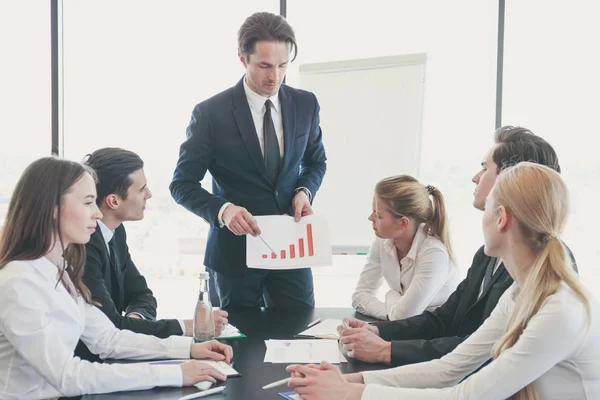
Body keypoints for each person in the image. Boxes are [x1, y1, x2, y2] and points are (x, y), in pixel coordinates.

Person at [287, 162, 600, 399]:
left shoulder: (560, 309)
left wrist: (352, 393)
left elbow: (466, 396)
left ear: (501, 218)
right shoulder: (522, 293)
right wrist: (350, 381)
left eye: (488, 207)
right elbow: (449, 368)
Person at [337, 126, 577, 366]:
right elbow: (445, 319)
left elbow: (479, 349)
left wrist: (386, 350)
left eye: (484, 168)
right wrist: (379, 332)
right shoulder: (488, 256)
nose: (475, 177)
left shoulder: (539, 266)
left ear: (515, 180)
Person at [0, 157, 233, 399]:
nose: (97, 214)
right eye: (88, 203)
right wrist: (173, 374)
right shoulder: (19, 283)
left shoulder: (60, 270)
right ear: (53, 210)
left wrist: (189, 349)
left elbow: (107, 338)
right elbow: (69, 376)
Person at [170, 12, 327, 308]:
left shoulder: (306, 104)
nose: (275, 77)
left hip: (292, 251)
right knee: (239, 347)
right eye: (265, 66)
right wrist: (224, 210)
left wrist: (304, 191)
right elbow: (182, 184)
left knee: (299, 336)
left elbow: (316, 163)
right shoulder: (210, 114)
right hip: (234, 257)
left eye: (283, 65)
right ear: (243, 58)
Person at [75, 148, 228, 361]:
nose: (149, 195)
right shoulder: (84, 246)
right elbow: (111, 325)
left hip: (115, 355)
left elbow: (142, 295)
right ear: (114, 201)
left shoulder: (115, 232)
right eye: (141, 189)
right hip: (88, 365)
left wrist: (135, 321)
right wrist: (188, 326)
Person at [352, 175, 459, 321]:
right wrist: (392, 310)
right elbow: (360, 296)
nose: (370, 218)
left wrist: (391, 295)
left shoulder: (434, 253)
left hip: (436, 335)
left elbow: (405, 317)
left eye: (378, 215)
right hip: (407, 329)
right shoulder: (382, 241)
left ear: (403, 223)